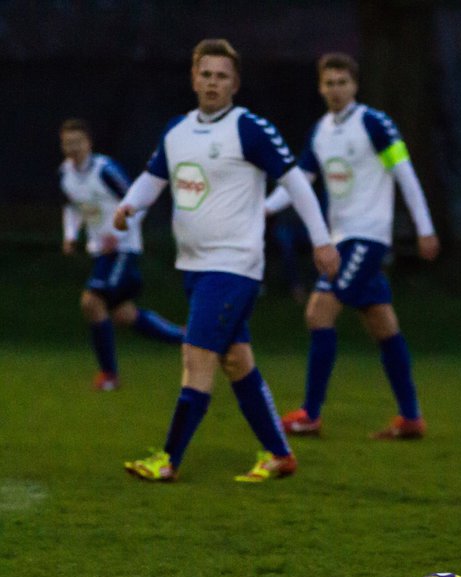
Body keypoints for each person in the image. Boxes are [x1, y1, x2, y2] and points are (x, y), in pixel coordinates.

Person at [114, 38, 339, 483]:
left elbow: (295, 182)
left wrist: (321, 240)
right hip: (194, 267)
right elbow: (153, 177)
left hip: (234, 265)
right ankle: (279, 455)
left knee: (196, 358)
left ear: (235, 83)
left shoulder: (249, 129)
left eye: (222, 76)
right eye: (206, 74)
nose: (213, 82)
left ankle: (168, 459)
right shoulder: (177, 131)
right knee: (236, 360)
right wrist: (127, 206)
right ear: (193, 78)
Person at [266, 52, 440, 440]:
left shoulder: (375, 124)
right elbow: (302, 180)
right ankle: (411, 417)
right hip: (342, 238)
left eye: (342, 82)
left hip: (368, 236)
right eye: (329, 83)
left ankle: (310, 413)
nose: (335, 89)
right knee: (382, 323)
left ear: (354, 85)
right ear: (320, 87)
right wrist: (263, 208)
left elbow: (404, 173)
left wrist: (424, 228)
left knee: (318, 311)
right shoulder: (321, 131)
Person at [58, 118, 184, 390]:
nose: (73, 148)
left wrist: (118, 235)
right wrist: (70, 236)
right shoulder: (65, 173)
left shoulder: (105, 170)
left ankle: (109, 376)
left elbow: (136, 202)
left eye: (78, 142)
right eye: (68, 143)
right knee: (125, 314)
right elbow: (72, 207)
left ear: (89, 143)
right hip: (100, 253)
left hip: (123, 250)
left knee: (91, 302)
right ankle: (189, 339)